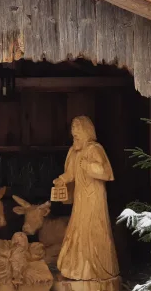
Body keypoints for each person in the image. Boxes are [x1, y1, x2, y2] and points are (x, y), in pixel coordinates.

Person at [53, 116, 119, 281]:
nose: (74, 133)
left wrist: (89, 167)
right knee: (78, 229)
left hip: (94, 199)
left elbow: (107, 173)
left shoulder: (95, 149)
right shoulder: (74, 152)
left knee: (94, 230)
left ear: (86, 131)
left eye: (77, 129)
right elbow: (71, 174)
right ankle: (76, 269)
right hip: (81, 198)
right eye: (73, 130)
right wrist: (61, 179)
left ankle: (98, 269)